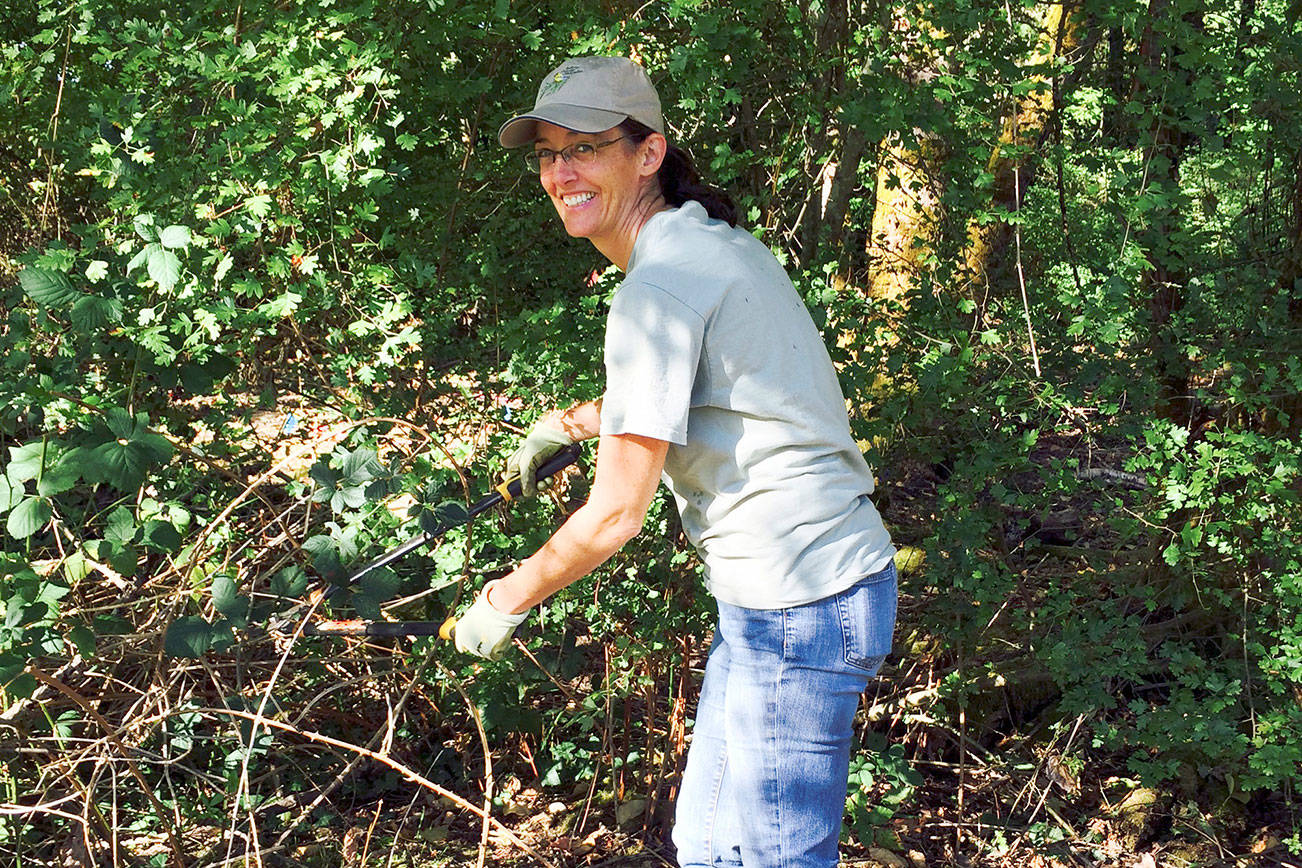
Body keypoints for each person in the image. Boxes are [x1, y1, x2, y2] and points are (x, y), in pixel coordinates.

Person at [451, 55, 898, 868]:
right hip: (792, 598)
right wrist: (575, 422)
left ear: (647, 154)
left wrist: (505, 601)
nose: (561, 172)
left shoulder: (657, 287)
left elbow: (618, 514)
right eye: (548, 154)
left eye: (584, 147)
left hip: (798, 602)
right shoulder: (704, 244)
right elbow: (718, 387)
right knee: (708, 847)